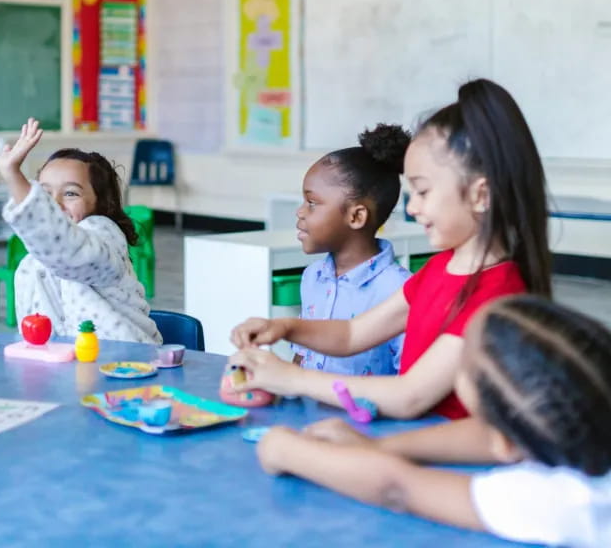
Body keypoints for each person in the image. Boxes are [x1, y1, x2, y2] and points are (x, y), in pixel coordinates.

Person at [230, 79, 550, 419]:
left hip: (443, 448)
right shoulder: (440, 268)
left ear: (480, 195)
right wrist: (284, 328)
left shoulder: (496, 295)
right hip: (416, 436)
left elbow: (408, 396)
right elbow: (353, 334)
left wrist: (293, 379)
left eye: (423, 192)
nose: (411, 209)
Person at [256, 296, 611, 548]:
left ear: (505, 444)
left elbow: (398, 488)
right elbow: (490, 434)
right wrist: (380, 446)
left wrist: (284, 450)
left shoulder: (562, 502)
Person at [0, 118, 160, 344]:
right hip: (68, 368)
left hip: (126, 364)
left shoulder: (104, 235)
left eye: (71, 193)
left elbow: (68, 252)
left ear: (103, 203)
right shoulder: (30, 264)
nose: (54, 203)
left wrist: (13, 175)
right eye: (44, 193)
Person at [290, 123, 411, 376]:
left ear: (356, 216)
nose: (300, 212)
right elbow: (302, 356)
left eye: (312, 203)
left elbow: (409, 380)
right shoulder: (312, 277)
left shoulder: (400, 291)